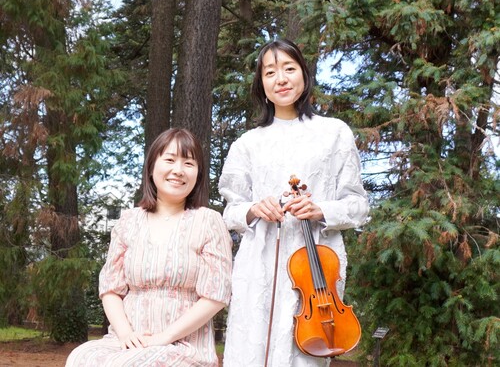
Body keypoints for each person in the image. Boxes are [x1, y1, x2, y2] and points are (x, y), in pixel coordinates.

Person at [219, 39, 369, 367]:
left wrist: (322, 209)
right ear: (261, 84)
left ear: (304, 74)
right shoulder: (247, 143)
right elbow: (230, 211)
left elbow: (358, 204)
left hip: (318, 273)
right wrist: (254, 209)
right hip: (259, 265)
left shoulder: (335, 133)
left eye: (289, 68)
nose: (281, 79)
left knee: (305, 356)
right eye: (270, 72)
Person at [66, 128, 232, 367]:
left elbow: (215, 295)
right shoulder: (128, 221)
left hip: (182, 344)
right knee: (81, 357)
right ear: (152, 166)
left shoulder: (208, 221)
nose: (178, 170)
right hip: (126, 340)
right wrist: (125, 334)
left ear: (198, 174)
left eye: (188, 163)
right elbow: (111, 289)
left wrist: (163, 338)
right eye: (170, 160)